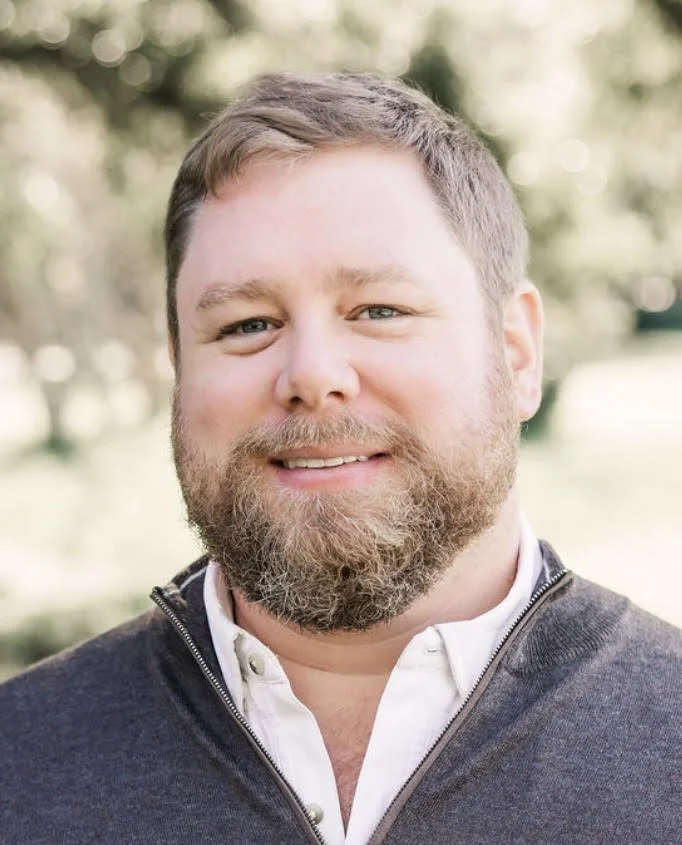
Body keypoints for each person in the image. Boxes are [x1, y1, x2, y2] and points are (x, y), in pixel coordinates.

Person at [1, 73, 680, 845]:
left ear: (516, 353)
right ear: (179, 371)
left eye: (379, 311)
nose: (312, 375)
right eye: (247, 324)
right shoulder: (17, 766)